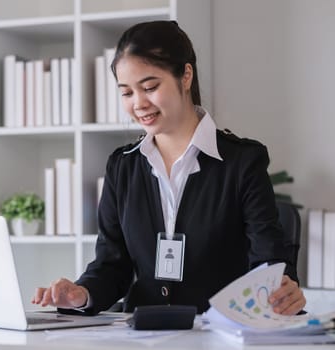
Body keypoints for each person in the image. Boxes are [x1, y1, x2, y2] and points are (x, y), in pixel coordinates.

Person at [32, 20, 306, 316]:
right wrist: (81, 294)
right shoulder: (123, 167)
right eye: (127, 93)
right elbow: (111, 265)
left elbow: (269, 263)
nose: (138, 104)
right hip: (141, 334)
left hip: (218, 334)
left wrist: (282, 289)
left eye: (150, 87)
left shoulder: (242, 162)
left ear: (185, 75)